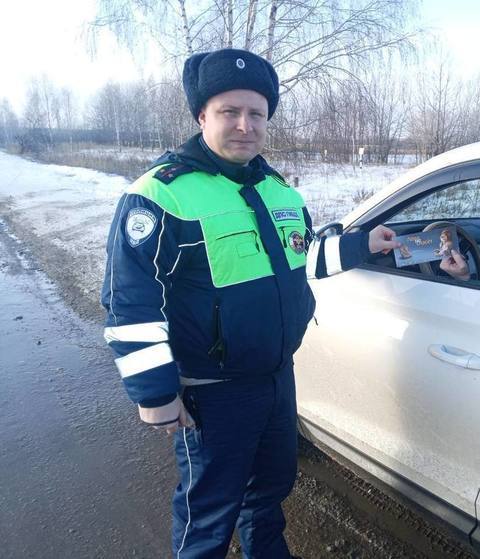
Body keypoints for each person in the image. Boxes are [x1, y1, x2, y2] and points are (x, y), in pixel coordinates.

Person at [101, 48, 398, 559]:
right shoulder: (161, 195)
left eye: (256, 113)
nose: (245, 125)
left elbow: (298, 258)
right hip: (212, 393)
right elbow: (131, 303)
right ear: (201, 116)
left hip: (276, 377)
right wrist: (155, 394)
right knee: (208, 513)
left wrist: (360, 245)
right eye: (229, 112)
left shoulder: (278, 190)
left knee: (270, 492)